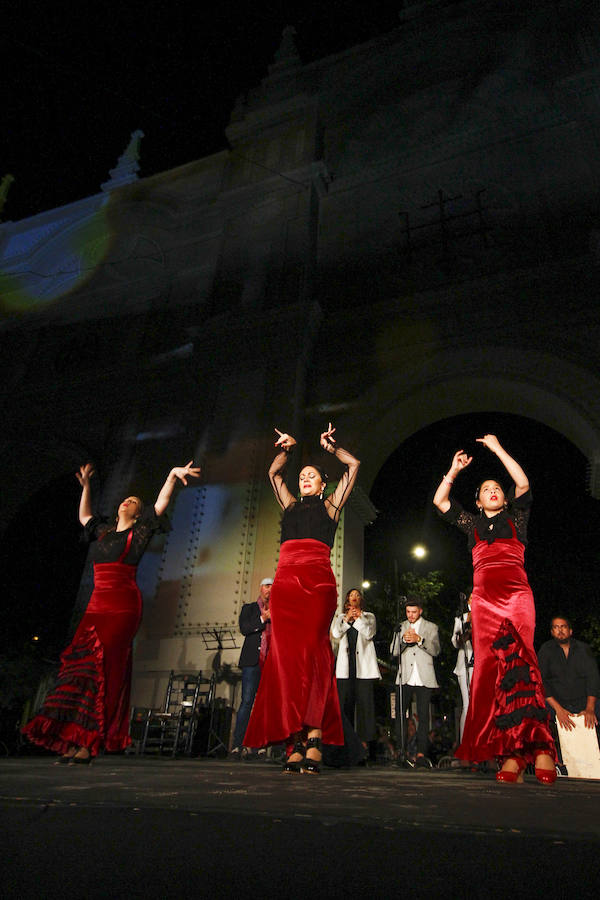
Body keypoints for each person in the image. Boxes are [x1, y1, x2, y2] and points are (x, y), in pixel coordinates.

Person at [23, 459, 201, 763]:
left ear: (137, 512)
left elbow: (159, 505)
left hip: (122, 607)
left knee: (105, 670)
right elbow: (85, 516)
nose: (126, 501)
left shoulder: (141, 532)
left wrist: (171, 474)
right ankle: (73, 737)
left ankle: (89, 743)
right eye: (124, 499)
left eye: (133, 501)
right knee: (81, 670)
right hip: (95, 606)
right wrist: (88, 486)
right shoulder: (105, 531)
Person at [433, 434, 557, 784]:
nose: (491, 490)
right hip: (484, 602)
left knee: (522, 664)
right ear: (478, 500)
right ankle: (511, 755)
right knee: (491, 673)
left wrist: (498, 449)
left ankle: (542, 748)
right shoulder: (472, 526)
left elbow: (521, 482)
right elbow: (440, 500)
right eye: (485, 488)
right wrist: (454, 470)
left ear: (503, 499)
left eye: (495, 488)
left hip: (517, 596)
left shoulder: (517, 519)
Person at [244, 422, 360, 774]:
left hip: (317, 584)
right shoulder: (290, 507)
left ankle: (314, 736)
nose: (305, 478)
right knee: (286, 660)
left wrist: (331, 450)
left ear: (324, 483)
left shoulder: (330, 507)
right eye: (303, 475)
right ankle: (293, 740)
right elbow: (273, 473)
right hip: (287, 585)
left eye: (312, 476)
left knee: (313, 656)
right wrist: (287, 450)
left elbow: (353, 466)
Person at [390, 599, 440, 766]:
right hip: (405, 676)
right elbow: (393, 651)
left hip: (424, 675)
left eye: (413, 612)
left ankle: (421, 754)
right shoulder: (401, 626)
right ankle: (401, 752)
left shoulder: (431, 627)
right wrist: (403, 641)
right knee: (400, 715)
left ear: (420, 611)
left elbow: (436, 650)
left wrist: (419, 640)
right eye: (408, 612)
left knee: (423, 716)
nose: (410, 615)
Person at [331, 588, 381, 751]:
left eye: (357, 595)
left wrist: (359, 618)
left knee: (365, 707)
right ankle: (346, 743)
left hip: (363, 669)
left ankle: (364, 745)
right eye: (352, 595)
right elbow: (336, 634)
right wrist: (347, 619)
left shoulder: (369, 617)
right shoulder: (340, 618)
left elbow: (369, 633)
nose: (354, 598)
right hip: (345, 669)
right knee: (345, 705)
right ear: (347, 600)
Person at [230, 577, 274, 758]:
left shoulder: (277, 609)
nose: (269, 589)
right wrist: (263, 618)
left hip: (270, 662)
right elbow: (245, 628)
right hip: (252, 661)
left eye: (272, 586)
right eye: (266, 586)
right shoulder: (249, 608)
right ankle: (238, 744)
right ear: (260, 588)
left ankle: (261, 745)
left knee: (264, 705)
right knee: (247, 702)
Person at [538, 616, 600, 735]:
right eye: (556, 627)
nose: (560, 630)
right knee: (535, 714)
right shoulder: (546, 650)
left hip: (583, 701)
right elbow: (541, 682)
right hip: (557, 702)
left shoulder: (583, 649)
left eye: (563, 626)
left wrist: (590, 709)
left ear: (570, 631)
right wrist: (558, 710)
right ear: (552, 632)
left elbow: (593, 678)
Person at [451, 595, 473, 743]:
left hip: (483, 664)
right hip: (466, 664)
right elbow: (454, 641)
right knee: (467, 705)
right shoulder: (461, 618)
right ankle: (465, 745)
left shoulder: (487, 616)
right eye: (472, 598)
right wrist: (462, 637)